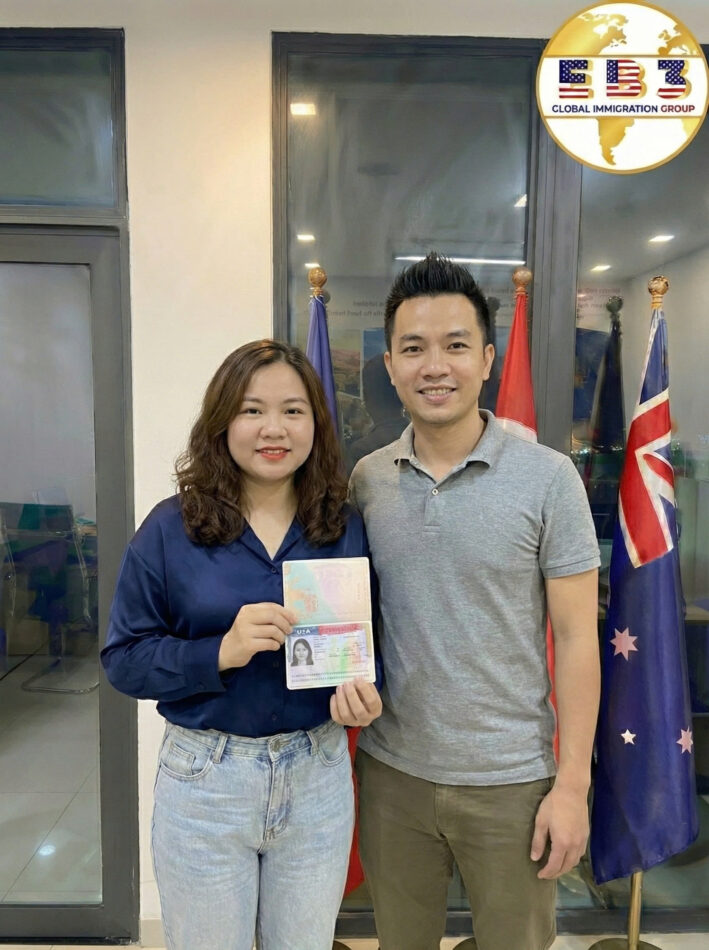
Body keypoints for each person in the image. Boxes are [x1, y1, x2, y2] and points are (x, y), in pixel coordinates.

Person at [349, 253, 600, 950]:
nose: (435, 366)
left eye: (455, 345)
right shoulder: (366, 481)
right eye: (413, 349)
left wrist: (571, 786)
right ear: (391, 367)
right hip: (392, 776)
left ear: (487, 359)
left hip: (513, 782)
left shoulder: (549, 479)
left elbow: (577, 639)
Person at [101, 339, 382, 950]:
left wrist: (366, 693)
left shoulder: (343, 526)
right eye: (252, 410)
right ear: (222, 421)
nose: (273, 429)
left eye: (293, 411)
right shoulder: (170, 528)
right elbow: (123, 660)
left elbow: (370, 644)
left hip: (317, 775)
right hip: (206, 780)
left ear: (316, 424)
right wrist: (219, 652)